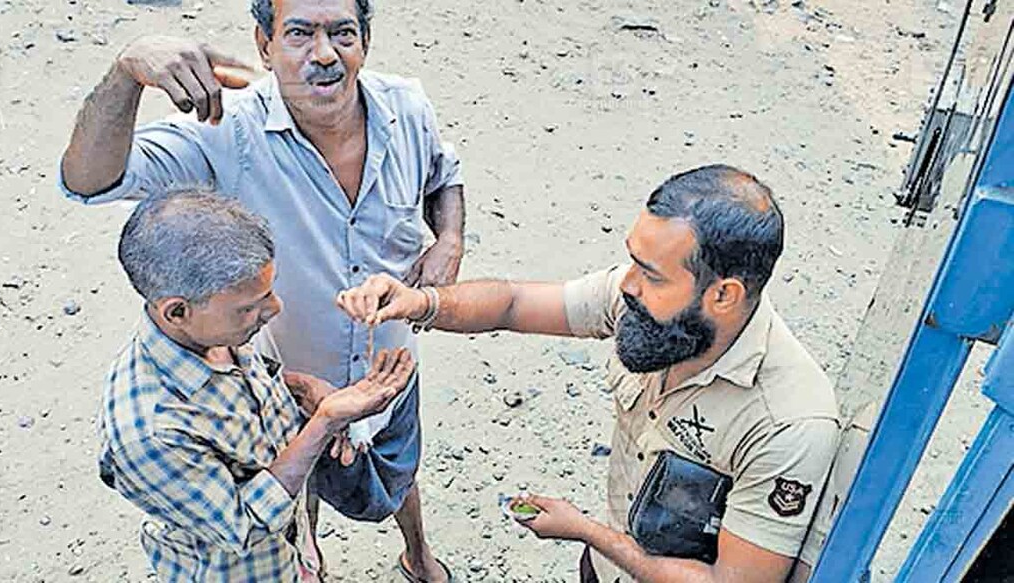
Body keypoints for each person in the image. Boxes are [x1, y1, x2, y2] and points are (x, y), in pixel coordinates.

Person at [57, 0, 464, 579]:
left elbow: (444, 176)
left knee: (400, 471)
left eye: (342, 32)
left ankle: (417, 552)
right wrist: (128, 71)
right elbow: (88, 181)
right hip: (289, 378)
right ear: (263, 44)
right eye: (299, 32)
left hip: (391, 358)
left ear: (365, 42)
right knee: (300, 476)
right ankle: (309, 551)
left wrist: (448, 239)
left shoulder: (407, 106)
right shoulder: (225, 132)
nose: (324, 54)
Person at [338, 165, 842, 582]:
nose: (625, 285)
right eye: (633, 261)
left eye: (651, 275)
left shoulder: (788, 424)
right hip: (607, 568)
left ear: (724, 296)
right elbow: (513, 303)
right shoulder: (643, 300)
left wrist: (586, 531)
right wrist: (421, 302)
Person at [99, 190, 415, 581]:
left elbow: (245, 392)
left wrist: (294, 389)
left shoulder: (213, 336)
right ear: (176, 311)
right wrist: (324, 424)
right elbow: (244, 526)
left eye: (269, 291)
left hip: (291, 556)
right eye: (250, 306)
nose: (275, 309)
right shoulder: (149, 433)